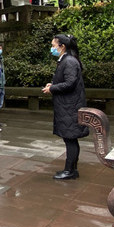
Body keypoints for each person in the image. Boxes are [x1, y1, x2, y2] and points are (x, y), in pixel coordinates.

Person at [42, 34, 87, 180]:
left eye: (53, 45)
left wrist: (52, 88)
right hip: (67, 106)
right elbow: (67, 80)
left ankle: (70, 171)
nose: (52, 48)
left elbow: (70, 83)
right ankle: (71, 169)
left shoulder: (69, 61)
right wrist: (53, 84)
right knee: (70, 139)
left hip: (70, 107)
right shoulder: (66, 60)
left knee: (70, 138)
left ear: (62, 46)